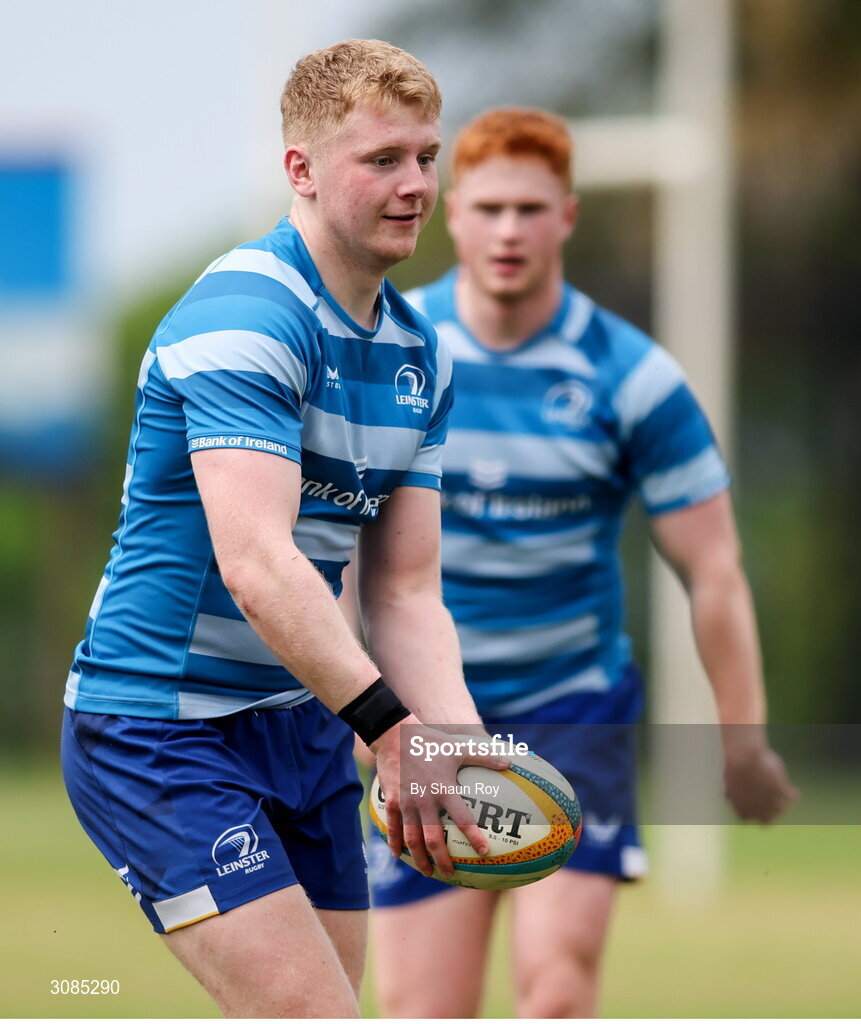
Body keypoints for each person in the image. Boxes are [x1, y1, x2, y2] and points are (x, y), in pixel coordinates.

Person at [60, 40, 509, 1019]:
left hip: (301, 723)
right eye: (381, 160)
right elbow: (256, 563)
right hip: (157, 728)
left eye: (426, 158)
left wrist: (456, 751)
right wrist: (391, 732)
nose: (415, 186)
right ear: (299, 171)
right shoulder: (244, 315)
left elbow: (402, 594)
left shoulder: (416, 352)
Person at [366, 107, 800, 1019]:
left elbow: (713, 571)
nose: (509, 231)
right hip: (427, 713)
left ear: (566, 216)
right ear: (454, 214)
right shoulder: (392, 352)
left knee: (558, 986)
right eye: (488, 209)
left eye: (530, 209)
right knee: (420, 1008)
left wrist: (744, 737)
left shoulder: (631, 377)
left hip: (574, 704)